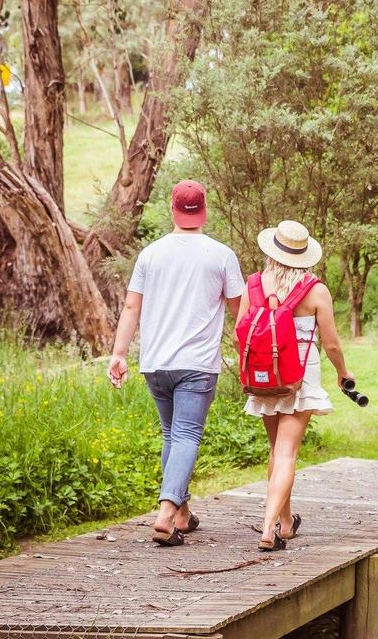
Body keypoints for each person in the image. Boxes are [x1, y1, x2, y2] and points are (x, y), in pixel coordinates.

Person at [106, 180, 246, 547]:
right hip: (197, 364)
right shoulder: (221, 255)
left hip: (155, 363)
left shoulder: (150, 255)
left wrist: (119, 353)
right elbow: (240, 313)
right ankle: (167, 513)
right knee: (186, 435)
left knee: (172, 434)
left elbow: (131, 306)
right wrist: (249, 355)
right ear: (204, 210)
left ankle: (182, 514)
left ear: (172, 208)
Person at [240, 220, 353, 551]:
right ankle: (268, 527)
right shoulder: (315, 290)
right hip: (298, 377)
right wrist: (343, 373)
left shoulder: (255, 285)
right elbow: (331, 344)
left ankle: (285, 521)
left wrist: (255, 369)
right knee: (287, 454)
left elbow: (240, 333)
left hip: (263, 378)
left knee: (276, 450)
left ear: (272, 252)